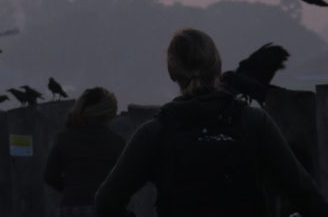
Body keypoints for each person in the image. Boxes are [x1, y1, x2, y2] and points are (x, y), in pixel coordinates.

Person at [94, 27, 328, 217]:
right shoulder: (255, 122)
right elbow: (308, 198)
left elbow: (105, 203)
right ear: (217, 67)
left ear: (172, 72)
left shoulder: (154, 132)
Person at [43, 86, 126, 217]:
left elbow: (49, 176)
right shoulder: (116, 142)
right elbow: (125, 179)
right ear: (108, 113)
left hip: (71, 208)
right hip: (104, 208)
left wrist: (72, 189)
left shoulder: (63, 138)